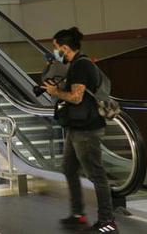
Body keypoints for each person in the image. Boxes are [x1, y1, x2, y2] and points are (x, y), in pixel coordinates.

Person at [43, 27, 117, 234]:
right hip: (76, 127)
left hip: (87, 129)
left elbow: (77, 97)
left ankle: (107, 222)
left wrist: (55, 91)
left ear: (65, 48)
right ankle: (78, 213)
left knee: (96, 174)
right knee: (68, 168)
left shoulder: (81, 66)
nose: (55, 52)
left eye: (56, 48)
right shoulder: (75, 65)